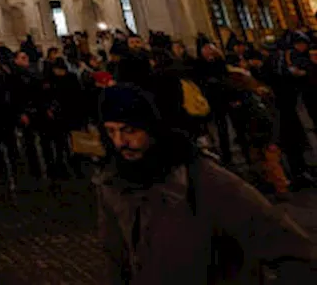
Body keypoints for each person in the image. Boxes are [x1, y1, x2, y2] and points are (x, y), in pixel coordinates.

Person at [95, 84, 317, 283]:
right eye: (111, 131)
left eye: (129, 130)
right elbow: (116, 258)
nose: (120, 142)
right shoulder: (113, 184)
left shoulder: (205, 180)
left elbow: (289, 245)